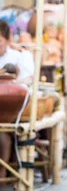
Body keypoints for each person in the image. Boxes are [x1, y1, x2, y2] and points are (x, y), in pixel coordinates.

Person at [0, 19, 34, 181]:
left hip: (12, 108)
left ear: (8, 40)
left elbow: (27, 81)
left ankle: (3, 172)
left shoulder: (20, 56)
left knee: (3, 132)